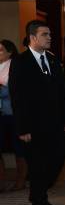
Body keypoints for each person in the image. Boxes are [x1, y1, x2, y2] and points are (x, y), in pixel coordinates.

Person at [9, 20, 65, 205]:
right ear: (33, 38)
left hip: (56, 125)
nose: (49, 37)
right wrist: (22, 129)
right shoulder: (20, 62)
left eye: (49, 34)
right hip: (33, 127)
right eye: (45, 34)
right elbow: (16, 97)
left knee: (55, 163)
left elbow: (63, 93)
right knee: (38, 166)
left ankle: (37, 194)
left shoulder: (53, 60)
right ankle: (40, 203)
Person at [0, 39, 27, 191]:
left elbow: (11, 91)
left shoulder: (14, 66)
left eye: (1, 50)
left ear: (10, 52)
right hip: (1, 114)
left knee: (19, 149)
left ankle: (21, 181)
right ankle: (1, 181)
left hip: (13, 114)